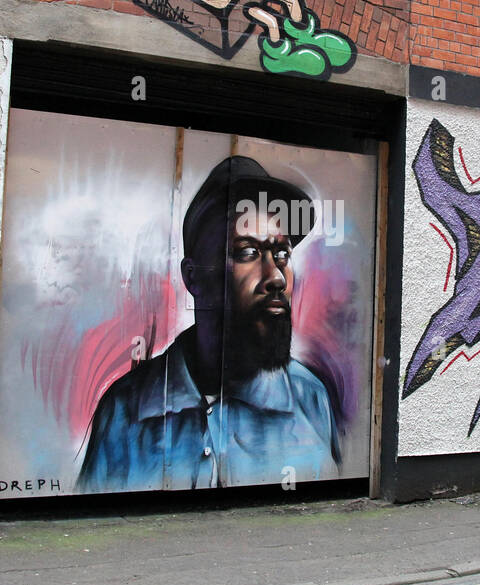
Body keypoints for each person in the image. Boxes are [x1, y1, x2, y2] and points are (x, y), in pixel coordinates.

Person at [78, 156, 339, 492]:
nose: (276, 276)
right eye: (247, 252)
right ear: (193, 277)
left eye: (282, 254)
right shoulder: (125, 409)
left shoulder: (310, 399)